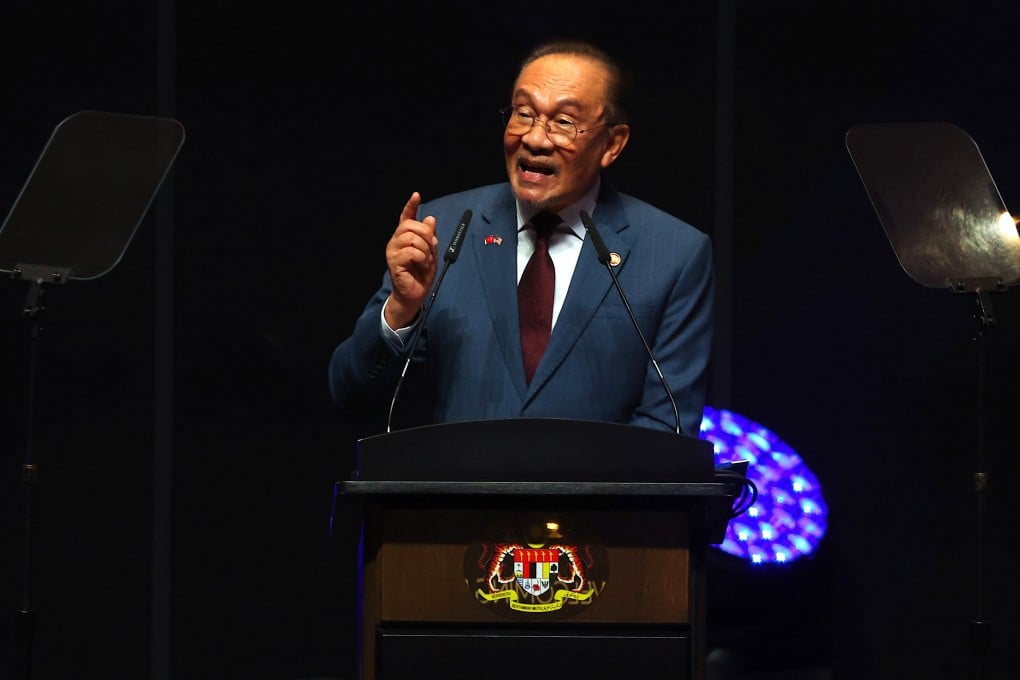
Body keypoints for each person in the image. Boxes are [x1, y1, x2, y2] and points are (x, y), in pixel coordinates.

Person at [328, 38, 714, 437]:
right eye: (523, 113)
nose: (535, 138)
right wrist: (401, 311)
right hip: (455, 496)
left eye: (564, 122)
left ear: (612, 144)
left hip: (597, 499)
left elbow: (666, 427)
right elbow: (350, 395)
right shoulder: (440, 230)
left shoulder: (673, 254)